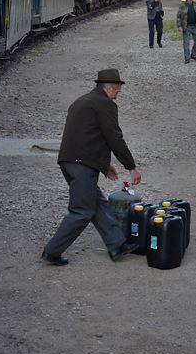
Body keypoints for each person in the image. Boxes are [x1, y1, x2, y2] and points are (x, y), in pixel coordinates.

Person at [41, 69, 142, 265]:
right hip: (81, 166)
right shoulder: (104, 105)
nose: (118, 93)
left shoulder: (83, 101)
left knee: (97, 204)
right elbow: (114, 138)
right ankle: (52, 252)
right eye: (118, 90)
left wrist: (104, 165)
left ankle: (117, 245)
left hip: (70, 161)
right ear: (108, 87)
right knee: (82, 211)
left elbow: (86, 136)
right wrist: (131, 167)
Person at [176, 0, 196, 64]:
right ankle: (187, 58)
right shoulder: (183, 6)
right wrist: (179, 26)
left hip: (194, 26)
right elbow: (178, 17)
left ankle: (193, 55)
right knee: (186, 43)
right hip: (186, 27)